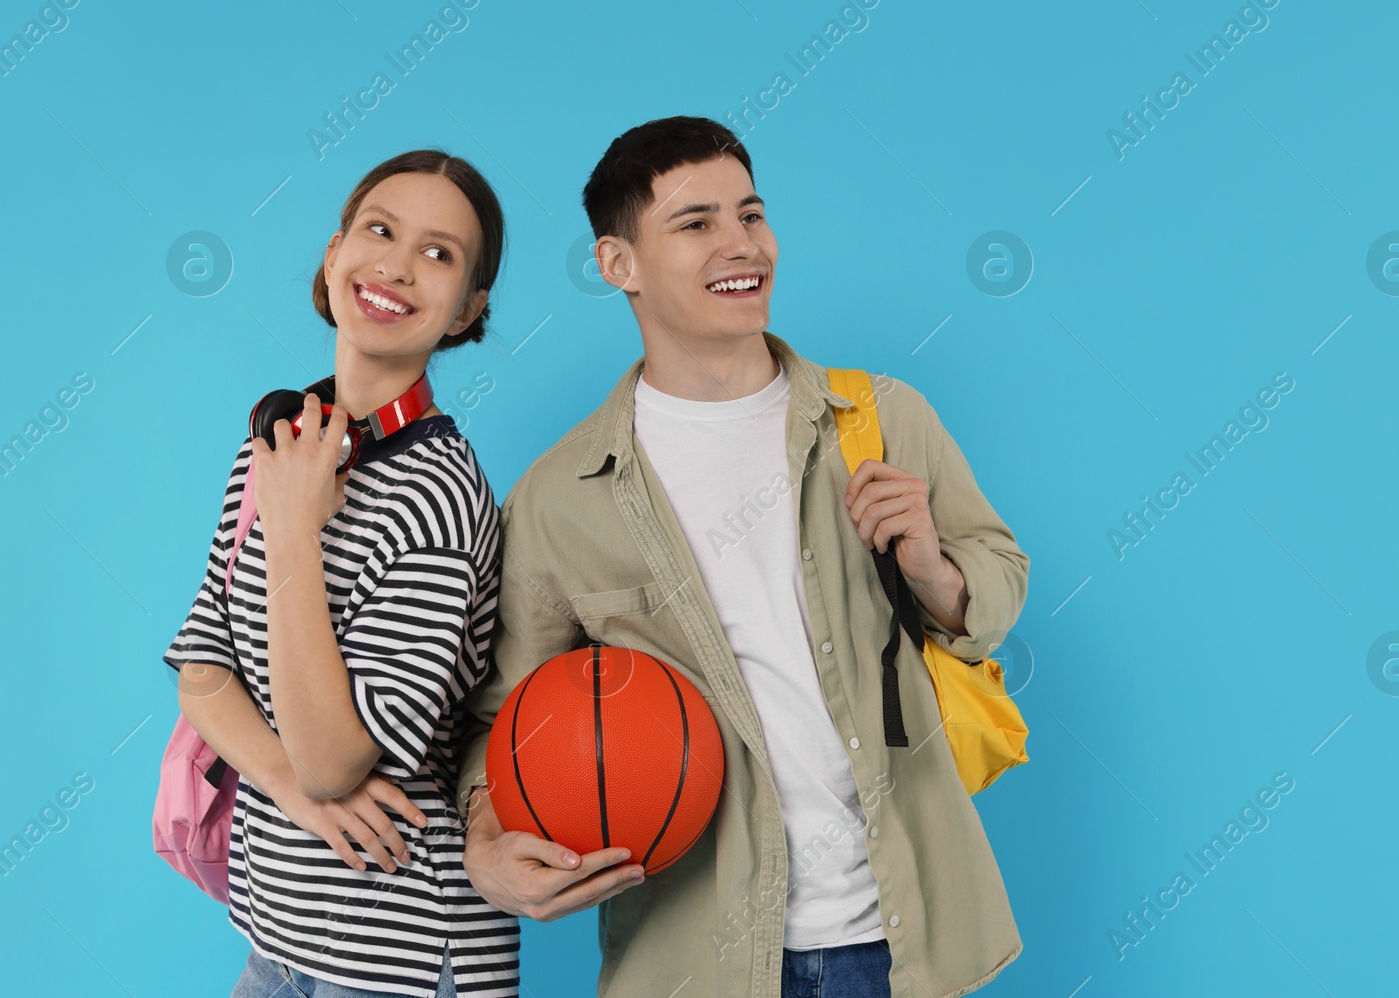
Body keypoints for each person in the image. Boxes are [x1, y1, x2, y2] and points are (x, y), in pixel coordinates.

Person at [455, 117, 1027, 997]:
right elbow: (504, 719)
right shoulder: (559, 496)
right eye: (696, 224)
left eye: (751, 216)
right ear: (618, 264)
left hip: (899, 940)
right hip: (697, 960)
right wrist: (487, 843)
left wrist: (931, 572)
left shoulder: (879, 417)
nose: (741, 245)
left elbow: (996, 580)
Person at [164, 149, 519, 997]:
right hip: (275, 939)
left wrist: (291, 532)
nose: (395, 265)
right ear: (334, 256)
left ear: (469, 308)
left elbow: (335, 759)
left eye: (439, 253)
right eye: (380, 230)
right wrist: (289, 787)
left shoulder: (440, 493)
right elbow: (203, 668)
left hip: (397, 959)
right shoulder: (277, 440)